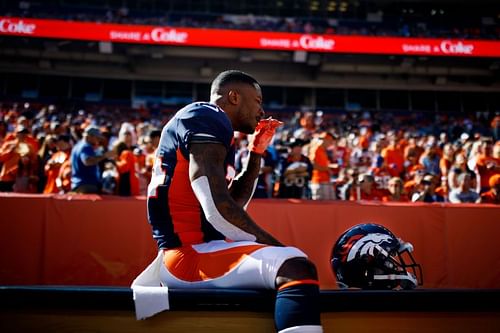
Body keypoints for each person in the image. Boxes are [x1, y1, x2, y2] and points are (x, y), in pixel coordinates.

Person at [144, 70, 322, 332]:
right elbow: (217, 209)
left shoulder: (211, 124)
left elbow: (231, 204)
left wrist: (256, 152)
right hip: (186, 255)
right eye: (258, 101)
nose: (262, 111)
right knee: (294, 265)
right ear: (234, 96)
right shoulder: (207, 115)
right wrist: (278, 247)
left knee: (289, 262)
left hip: (196, 250)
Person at [70, 126, 115, 194]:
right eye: (96, 137)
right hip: (86, 185)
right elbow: (87, 161)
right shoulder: (86, 146)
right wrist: (105, 156)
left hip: (79, 185)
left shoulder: (77, 146)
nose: (98, 140)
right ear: (89, 136)